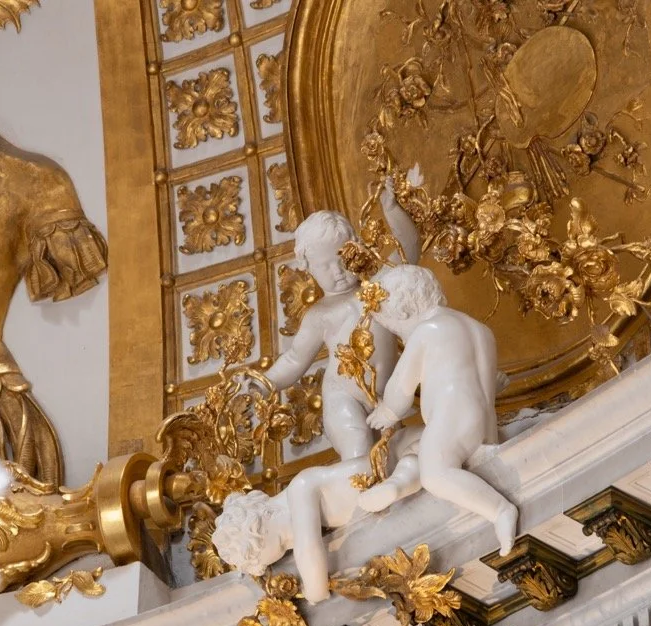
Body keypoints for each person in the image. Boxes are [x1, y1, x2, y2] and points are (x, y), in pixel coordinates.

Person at [367, 265, 518, 556]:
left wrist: (386, 411)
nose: (399, 337)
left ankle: (499, 510)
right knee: (422, 453)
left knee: (434, 475)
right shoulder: (480, 329)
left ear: (403, 311)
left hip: (452, 414)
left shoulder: (427, 331)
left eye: (394, 329)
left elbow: (401, 390)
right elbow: (484, 382)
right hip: (484, 421)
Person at [265, 181, 420, 460]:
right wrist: (264, 383)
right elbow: (294, 360)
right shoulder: (320, 315)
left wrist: (391, 209)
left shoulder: (379, 284)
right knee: (359, 453)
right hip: (343, 397)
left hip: (387, 397)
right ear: (307, 268)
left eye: (342, 257)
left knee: (393, 457)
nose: (337, 270)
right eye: (324, 265)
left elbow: (409, 249)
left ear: (356, 247)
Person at [212, 429, 422, 602]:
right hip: (394, 465)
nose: (291, 541)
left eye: (282, 541)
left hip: (393, 457)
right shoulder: (312, 509)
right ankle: (398, 484)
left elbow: (308, 547)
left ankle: (397, 485)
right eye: (287, 547)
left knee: (410, 467)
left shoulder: (301, 487)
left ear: (266, 515)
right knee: (413, 470)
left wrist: (315, 591)